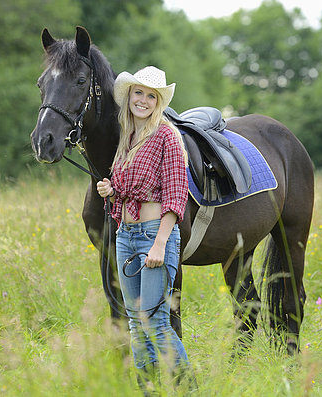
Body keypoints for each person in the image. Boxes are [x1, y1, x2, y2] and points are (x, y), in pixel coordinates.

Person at [96, 66, 195, 391]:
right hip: (126, 236)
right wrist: (112, 190)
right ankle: (148, 388)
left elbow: (176, 194)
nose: (143, 100)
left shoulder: (166, 135)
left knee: (156, 321)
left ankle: (188, 387)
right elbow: (130, 189)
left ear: (158, 102)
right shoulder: (127, 137)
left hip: (155, 235)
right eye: (138, 92)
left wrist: (160, 244)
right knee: (137, 324)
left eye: (151, 95)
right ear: (129, 96)